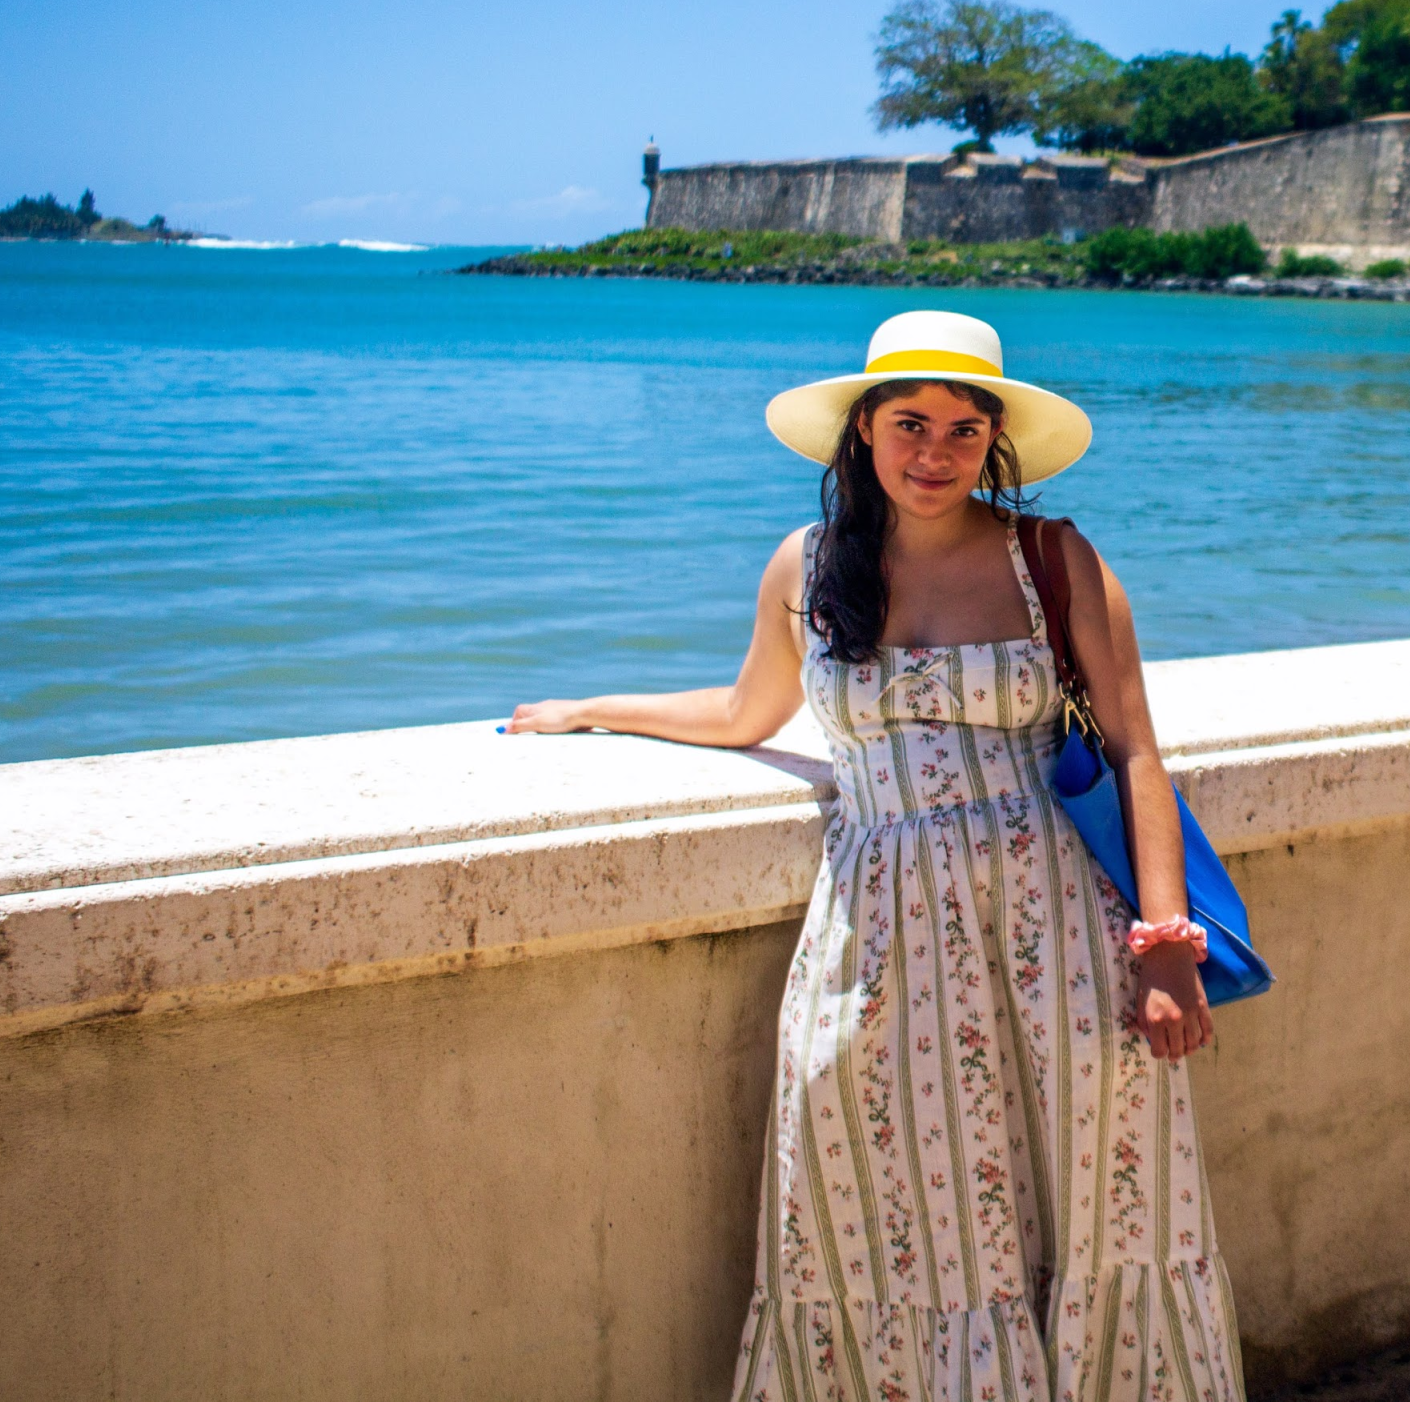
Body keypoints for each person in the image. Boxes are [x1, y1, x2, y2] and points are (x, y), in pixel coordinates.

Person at [508, 310, 1243, 1402]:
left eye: (960, 428)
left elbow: (1136, 747)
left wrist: (1166, 944)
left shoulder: (1052, 557)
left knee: (1098, 1190)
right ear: (862, 432)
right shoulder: (806, 566)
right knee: (888, 1191)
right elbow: (744, 711)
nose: (932, 453)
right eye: (908, 423)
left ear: (992, 439)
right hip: (880, 931)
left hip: (1060, 929)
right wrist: (591, 707)